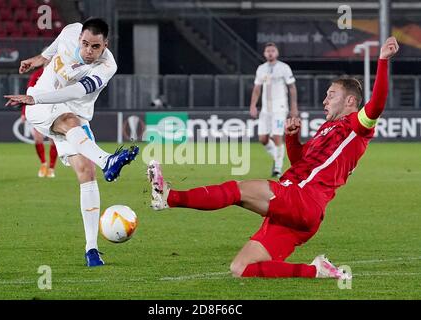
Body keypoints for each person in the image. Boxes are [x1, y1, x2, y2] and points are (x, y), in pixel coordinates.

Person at [147, 37, 399, 279]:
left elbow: (376, 104)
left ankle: (169, 197)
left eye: (331, 94)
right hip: (300, 212)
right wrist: (292, 138)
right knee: (241, 268)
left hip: (302, 200)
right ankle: (316, 270)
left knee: (238, 190)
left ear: (350, 101)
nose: (324, 100)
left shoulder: (357, 126)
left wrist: (383, 60)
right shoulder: (326, 129)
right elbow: (300, 163)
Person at [4, 18, 139, 267]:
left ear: (105, 45)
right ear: (79, 38)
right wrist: (40, 59)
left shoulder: (107, 66)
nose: (89, 50)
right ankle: (107, 160)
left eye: (95, 47)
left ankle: (91, 250)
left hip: (69, 112)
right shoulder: (70, 31)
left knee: (87, 174)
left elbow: (77, 92)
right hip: (43, 106)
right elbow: (55, 47)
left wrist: (38, 98)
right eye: (85, 44)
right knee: (68, 120)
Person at [250, 42, 299, 178]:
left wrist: (294, 107)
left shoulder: (284, 68)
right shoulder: (261, 69)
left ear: (276, 53)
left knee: (277, 136)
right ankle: (278, 156)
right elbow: (257, 89)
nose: (270, 53)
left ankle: (277, 168)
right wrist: (253, 105)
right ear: (264, 53)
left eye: (272, 50)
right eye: (268, 51)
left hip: (280, 107)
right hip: (266, 109)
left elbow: (292, 88)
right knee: (263, 139)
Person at [20, 63, 58, 178]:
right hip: (39, 109)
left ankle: (51, 168)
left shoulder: (59, 73)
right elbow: (29, 94)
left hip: (53, 109)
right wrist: (23, 112)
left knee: (54, 140)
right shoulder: (37, 74)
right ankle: (43, 164)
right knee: (38, 139)